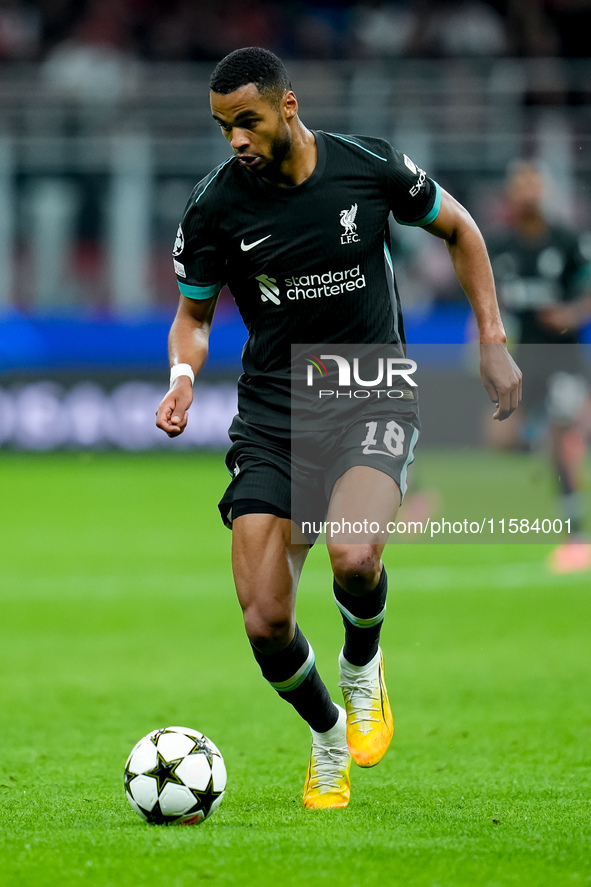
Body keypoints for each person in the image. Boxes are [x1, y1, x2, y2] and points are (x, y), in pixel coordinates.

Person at [156, 46, 521, 809]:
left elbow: (462, 231)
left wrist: (490, 339)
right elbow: (193, 315)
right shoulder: (215, 206)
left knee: (354, 554)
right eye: (224, 127)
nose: (236, 141)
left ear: (287, 107)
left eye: (248, 122)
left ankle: (362, 664)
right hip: (272, 411)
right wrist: (183, 379)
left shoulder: (369, 167)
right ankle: (326, 731)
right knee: (265, 619)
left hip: (367, 393)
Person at [486, 161, 591, 573]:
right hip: (522, 360)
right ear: (511, 195)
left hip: (562, 359)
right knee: (502, 440)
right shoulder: (500, 247)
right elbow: (490, 299)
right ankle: (542, 437)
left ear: (543, 191)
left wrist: (570, 312)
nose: (528, 193)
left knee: (564, 439)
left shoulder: (566, 241)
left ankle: (576, 535)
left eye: (534, 185)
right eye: (520, 186)